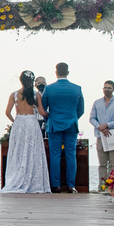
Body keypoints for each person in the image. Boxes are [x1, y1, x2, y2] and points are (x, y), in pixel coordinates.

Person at [2, 70, 51, 193]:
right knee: (32, 151)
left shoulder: (14, 95)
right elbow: (42, 112)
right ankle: (34, 181)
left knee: (18, 151)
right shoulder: (36, 95)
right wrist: (51, 115)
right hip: (32, 123)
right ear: (32, 82)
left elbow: (7, 112)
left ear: (21, 80)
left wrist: (15, 121)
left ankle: (16, 178)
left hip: (19, 123)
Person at [40, 62, 85, 192]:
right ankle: (71, 186)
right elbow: (81, 110)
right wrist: (72, 118)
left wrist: (50, 118)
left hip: (54, 125)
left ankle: (56, 185)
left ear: (56, 72)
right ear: (68, 72)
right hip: (71, 124)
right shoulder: (77, 88)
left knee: (55, 155)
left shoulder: (49, 89)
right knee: (71, 155)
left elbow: (43, 107)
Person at [88, 80, 114, 185]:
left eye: (109, 88)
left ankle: (113, 186)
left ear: (113, 89)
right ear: (102, 89)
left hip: (113, 136)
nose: (107, 90)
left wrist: (107, 125)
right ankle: (102, 185)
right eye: (105, 88)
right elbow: (92, 118)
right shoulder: (97, 103)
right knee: (102, 163)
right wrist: (100, 127)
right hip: (100, 136)